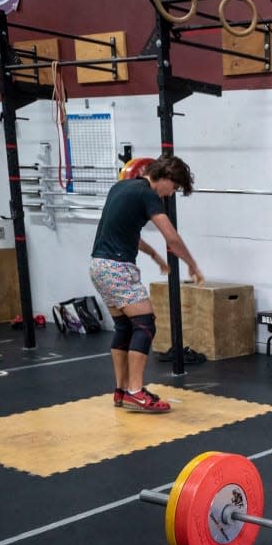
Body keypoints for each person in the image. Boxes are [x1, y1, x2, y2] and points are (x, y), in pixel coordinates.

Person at [89, 154, 205, 413]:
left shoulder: (120, 187)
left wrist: (153, 255)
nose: (169, 195)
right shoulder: (149, 194)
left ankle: (120, 391)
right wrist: (192, 264)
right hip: (117, 267)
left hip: (98, 265)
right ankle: (135, 392)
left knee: (123, 326)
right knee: (145, 323)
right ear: (166, 178)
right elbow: (172, 237)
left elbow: (122, 232)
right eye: (173, 188)